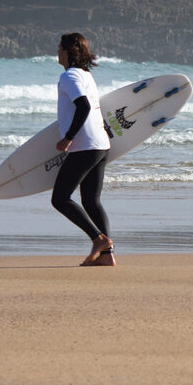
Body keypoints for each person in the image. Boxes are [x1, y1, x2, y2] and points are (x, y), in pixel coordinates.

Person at [52, 33, 115, 267]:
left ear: (69, 51)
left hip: (85, 145)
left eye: (60, 48)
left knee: (60, 199)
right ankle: (107, 255)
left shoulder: (69, 76)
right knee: (91, 200)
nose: (57, 52)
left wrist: (68, 138)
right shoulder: (86, 75)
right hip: (101, 143)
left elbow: (84, 106)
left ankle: (99, 240)